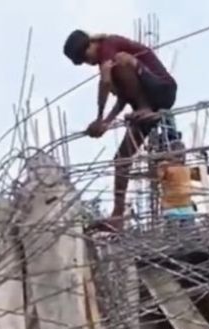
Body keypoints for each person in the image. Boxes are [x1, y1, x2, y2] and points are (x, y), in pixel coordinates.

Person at [64, 29, 179, 231]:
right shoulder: (111, 66)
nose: (88, 62)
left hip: (162, 90)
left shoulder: (109, 45)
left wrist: (99, 117)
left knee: (118, 62)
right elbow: (123, 98)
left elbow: (105, 81)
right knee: (121, 160)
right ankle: (117, 216)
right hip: (144, 107)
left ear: (90, 46)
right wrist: (106, 123)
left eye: (85, 57)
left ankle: (145, 108)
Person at [156, 142, 195, 225]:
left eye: (181, 154)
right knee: (175, 234)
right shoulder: (165, 166)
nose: (180, 157)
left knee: (189, 234)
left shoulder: (186, 168)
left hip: (186, 207)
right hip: (171, 207)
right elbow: (160, 178)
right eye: (177, 154)